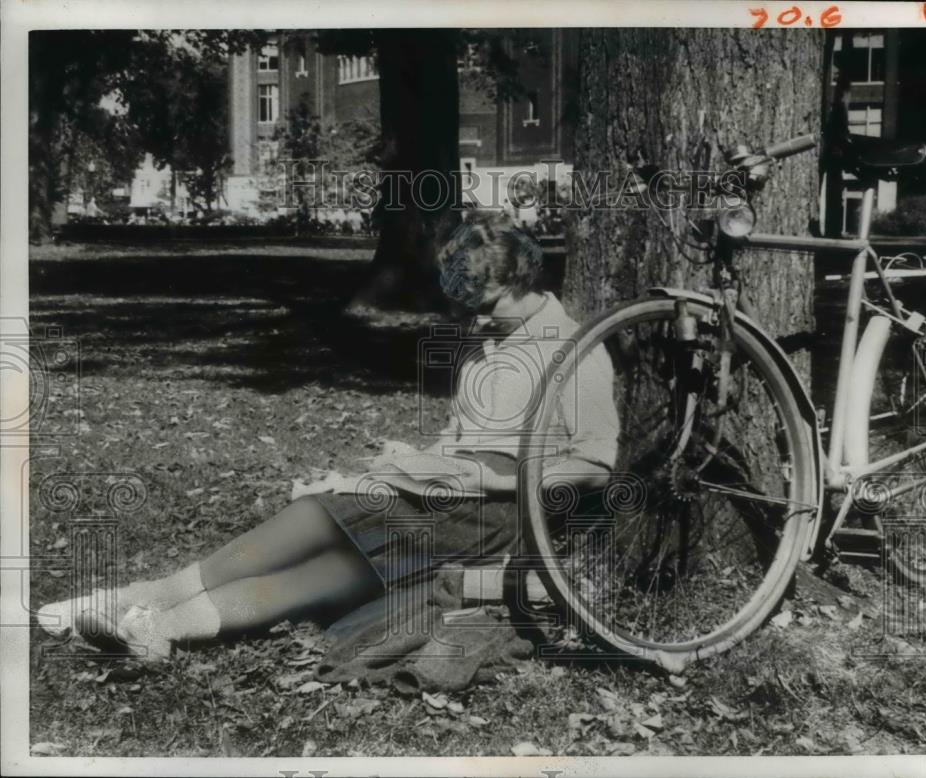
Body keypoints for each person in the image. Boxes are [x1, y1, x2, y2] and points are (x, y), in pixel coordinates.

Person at [38, 210, 619, 660]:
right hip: (443, 492)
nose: (474, 320)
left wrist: (485, 476)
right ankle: (135, 599)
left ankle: (158, 628)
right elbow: (460, 436)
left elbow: (595, 465)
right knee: (317, 510)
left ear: (523, 278)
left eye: (486, 305)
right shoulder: (489, 345)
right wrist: (416, 459)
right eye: (466, 306)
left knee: (331, 571)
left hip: (499, 517)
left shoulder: (576, 351)